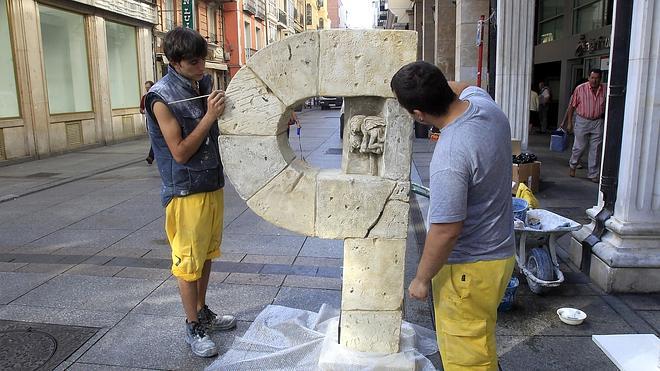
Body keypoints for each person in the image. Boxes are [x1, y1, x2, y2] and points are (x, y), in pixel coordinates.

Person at [391, 61, 515, 371]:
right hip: (499, 255)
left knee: (467, 358)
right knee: (479, 339)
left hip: (468, 270)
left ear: (419, 115)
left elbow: (446, 231)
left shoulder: (449, 154)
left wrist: (421, 279)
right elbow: (460, 86)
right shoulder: (485, 106)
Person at [145, 27, 236, 358]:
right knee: (187, 263)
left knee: (207, 254)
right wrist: (210, 114)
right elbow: (180, 152)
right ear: (174, 62)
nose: (203, 68)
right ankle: (192, 324)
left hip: (211, 182)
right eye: (195, 62)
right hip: (185, 191)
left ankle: (201, 311)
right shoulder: (161, 97)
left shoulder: (203, 84)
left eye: (204, 60)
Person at [564, 69, 606, 183]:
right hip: (582, 120)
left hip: (597, 121)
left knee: (596, 149)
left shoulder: (605, 89)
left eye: (597, 78)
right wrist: (569, 122)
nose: (594, 80)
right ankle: (573, 165)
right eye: (592, 78)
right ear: (588, 78)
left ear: (600, 79)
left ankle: (593, 174)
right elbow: (571, 107)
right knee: (579, 147)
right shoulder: (580, 89)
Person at [140, 80, 155, 164]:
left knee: (156, 138)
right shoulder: (145, 97)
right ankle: (151, 156)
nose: (147, 90)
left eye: (148, 88)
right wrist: (144, 111)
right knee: (153, 137)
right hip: (149, 119)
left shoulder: (156, 95)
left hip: (158, 119)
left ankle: (151, 156)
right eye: (146, 88)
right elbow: (141, 109)